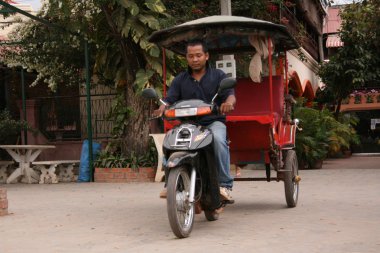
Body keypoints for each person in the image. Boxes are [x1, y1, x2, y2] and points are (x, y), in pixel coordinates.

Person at [153, 39, 236, 202]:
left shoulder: (218, 76)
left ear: (206, 56)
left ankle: (225, 185)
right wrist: (162, 107)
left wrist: (228, 104)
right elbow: (169, 99)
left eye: (198, 55)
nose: (195, 59)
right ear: (187, 58)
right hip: (188, 124)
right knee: (170, 140)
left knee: (218, 140)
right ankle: (169, 183)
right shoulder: (180, 79)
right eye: (191, 56)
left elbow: (230, 95)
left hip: (213, 122)